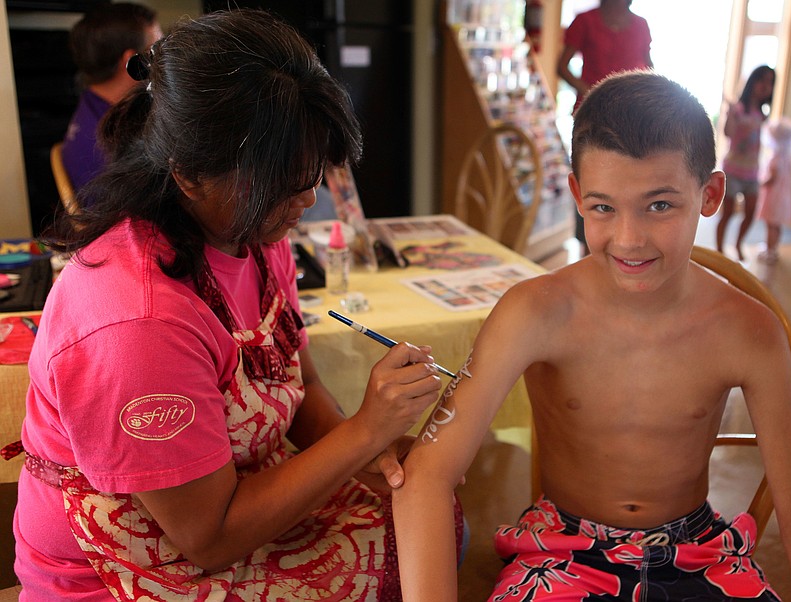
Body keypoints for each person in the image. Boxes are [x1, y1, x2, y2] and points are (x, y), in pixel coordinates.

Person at [14, 9, 462, 600]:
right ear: (191, 176)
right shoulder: (134, 320)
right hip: (130, 567)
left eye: (312, 175)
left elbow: (300, 390)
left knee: (429, 517)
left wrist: (374, 456)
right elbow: (209, 537)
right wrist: (364, 433)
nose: (308, 199)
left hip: (234, 504)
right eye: (286, 180)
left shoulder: (252, 233)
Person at [393, 71, 791, 601]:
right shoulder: (534, 313)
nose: (629, 240)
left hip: (699, 551)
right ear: (577, 195)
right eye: (604, 207)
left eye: (659, 205)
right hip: (561, 551)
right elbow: (426, 475)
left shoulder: (748, 331)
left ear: (711, 194)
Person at [557, 0, 653, 257]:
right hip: (592, 116)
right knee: (590, 183)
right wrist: (587, 91)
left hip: (629, 117)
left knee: (626, 182)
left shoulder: (641, 25)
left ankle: (621, 249)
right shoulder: (585, 21)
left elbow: (648, 68)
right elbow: (562, 66)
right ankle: (587, 252)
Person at [61, 2, 161, 197]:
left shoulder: (92, 107)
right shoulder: (114, 144)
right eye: (156, 51)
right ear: (133, 61)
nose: (162, 60)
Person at [715, 65, 775, 261]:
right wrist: (731, 115)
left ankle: (738, 244)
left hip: (752, 173)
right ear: (752, 82)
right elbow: (728, 133)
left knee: (751, 212)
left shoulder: (762, 114)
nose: (765, 86)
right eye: (762, 80)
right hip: (732, 169)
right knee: (728, 213)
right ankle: (719, 251)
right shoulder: (739, 109)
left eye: (770, 82)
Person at [756, 117, 791, 264]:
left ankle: (769, 250)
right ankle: (774, 248)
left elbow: (772, 178)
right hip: (785, 196)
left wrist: (760, 182)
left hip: (773, 196)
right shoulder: (788, 157)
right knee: (777, 225)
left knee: (770, 225)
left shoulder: (775, 157)